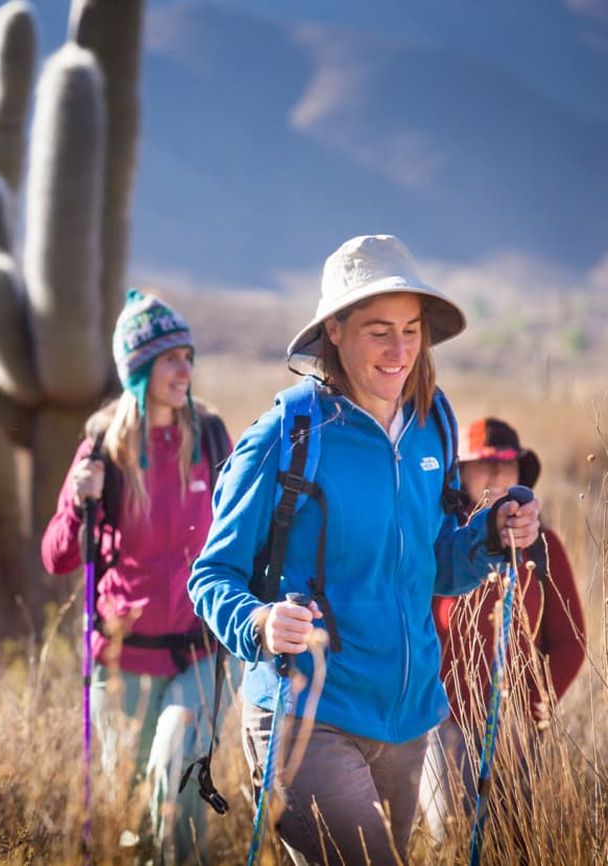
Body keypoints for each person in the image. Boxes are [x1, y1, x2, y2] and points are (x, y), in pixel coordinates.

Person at [186, 235, 542, 865]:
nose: (400, 350)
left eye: (411, 330)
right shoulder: (287, 435)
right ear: (336, 331)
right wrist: (260, 621)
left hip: (408, 720)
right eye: (379, 330)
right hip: (306, 716)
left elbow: (436, 564)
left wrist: (490, 538)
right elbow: (212, 574)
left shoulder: (433, 422)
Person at [41, 288, 236, 865]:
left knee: (176, 787)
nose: (186, 370)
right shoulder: (101, 448)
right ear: (138, 369)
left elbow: (239, 529)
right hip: (122, 662)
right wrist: (79, 504)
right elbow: (56, 557)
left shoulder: (210, 438)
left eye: (188, 357)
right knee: (125, 816)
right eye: (171, 358)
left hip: (198, 656)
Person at [419, 416, 586, 842]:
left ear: (519, 475)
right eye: (483, 465)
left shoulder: (543, 547)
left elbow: (569, 642)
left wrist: (532, 709)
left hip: (516, 725)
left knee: (515, 837)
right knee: (450, 837)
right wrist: (434, 707)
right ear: (462, 474)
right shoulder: (439, 549)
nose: (496, 475)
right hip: (443, 722)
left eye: (506, 465)